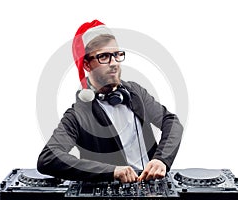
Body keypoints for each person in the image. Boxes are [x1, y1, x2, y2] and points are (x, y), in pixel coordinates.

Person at [37, 20, 183, 183]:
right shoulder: (78, 114)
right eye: (104, 57)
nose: (114, 63)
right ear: (87, 64)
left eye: (117, 55)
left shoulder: (135, 92)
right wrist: (111, 171)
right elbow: (48, 158)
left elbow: (171, 122)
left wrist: (161, 159)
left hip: (151, 187)